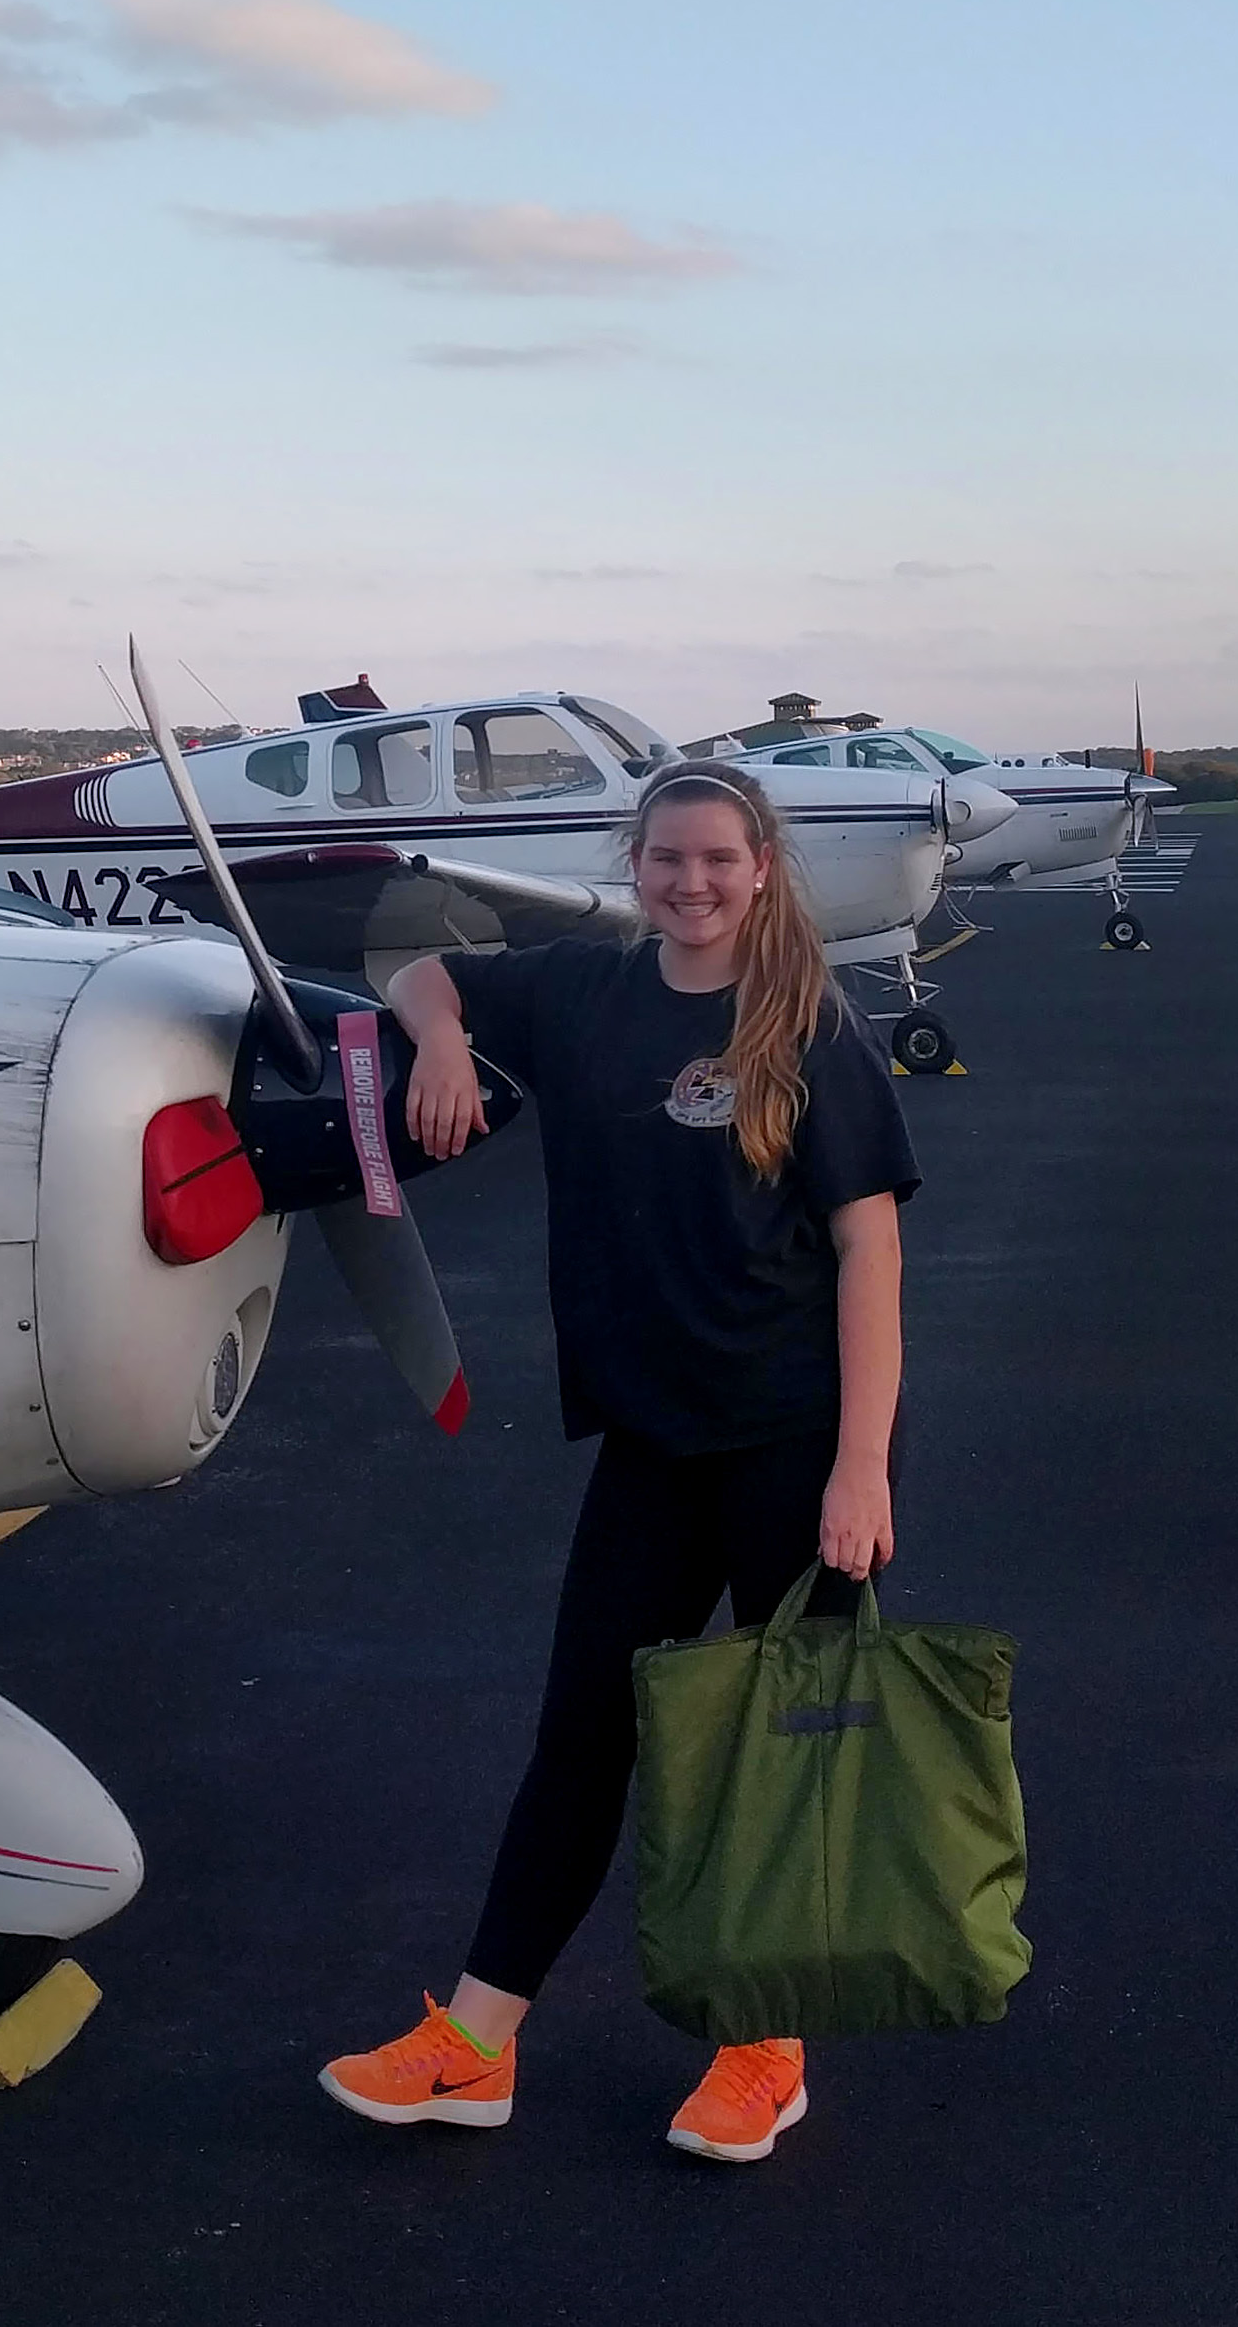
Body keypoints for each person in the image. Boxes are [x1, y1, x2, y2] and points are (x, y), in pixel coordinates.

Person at [319, 762, 919, 2164]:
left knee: (783, 1758)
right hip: (652, 1446)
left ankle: (768, 2045)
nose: (690, 882)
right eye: (665, 858)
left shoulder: (813, 1029)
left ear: (761, 868)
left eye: (717, 859)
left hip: (793, 1443)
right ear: (632, 862)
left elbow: (870, 1249)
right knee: (581, 1740)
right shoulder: (587, 993)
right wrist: (449, 1040)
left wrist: (864, 1465)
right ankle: (473, 2041)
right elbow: (417, 967)